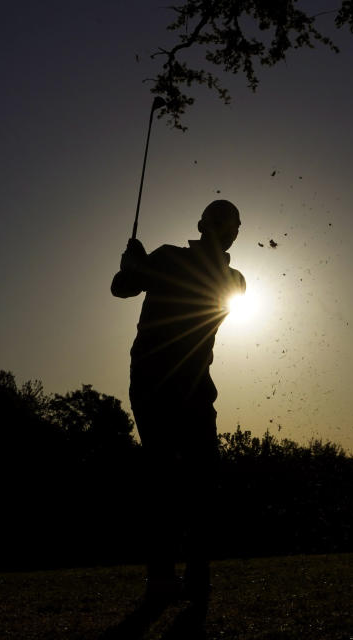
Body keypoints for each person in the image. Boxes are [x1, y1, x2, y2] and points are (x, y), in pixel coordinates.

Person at [111, 199, 245, 607]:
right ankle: (163, 578)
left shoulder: (234, 278)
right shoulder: (167, 259)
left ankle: (197, 575)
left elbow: (188, 281)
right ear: (203, 224)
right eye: (222, 221)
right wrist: (129, 266)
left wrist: (137, 264)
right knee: (163, 479)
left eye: (233, 224)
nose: (228, 228)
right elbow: (120, 289)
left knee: (201, 480)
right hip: (152, 383)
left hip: (193, 386)